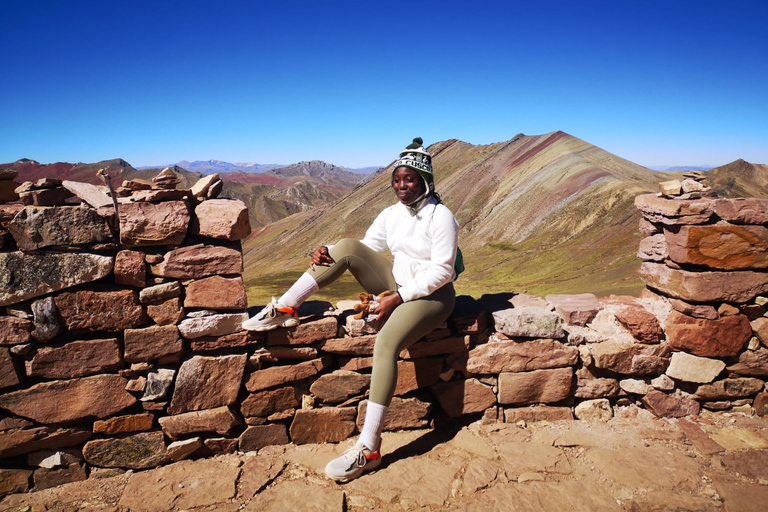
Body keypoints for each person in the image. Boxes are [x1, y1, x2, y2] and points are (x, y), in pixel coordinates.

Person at [242, 137, 460, 482]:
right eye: (397, 180)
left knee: (386, 343)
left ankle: (369, 449)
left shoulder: (441, 216)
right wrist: (326, 250)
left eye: (410, 180)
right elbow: (366, 247)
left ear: (426, 181)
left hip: (432, 296)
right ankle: (286, 307)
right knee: (343, 246)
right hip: (398, 286)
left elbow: (442, 271)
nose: (401, 187)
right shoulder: (392, 214)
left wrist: (398, 298)